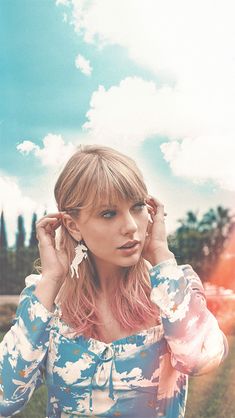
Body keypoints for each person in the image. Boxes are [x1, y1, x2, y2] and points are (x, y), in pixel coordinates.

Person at [0, 144, 228, 418]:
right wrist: (51, 280)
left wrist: (162, 259)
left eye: (137, 206)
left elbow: (201, 359)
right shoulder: (45, 302)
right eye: (108, 213)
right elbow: (6, 398)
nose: (131, 225)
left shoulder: (175, 286)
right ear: (73, 226)